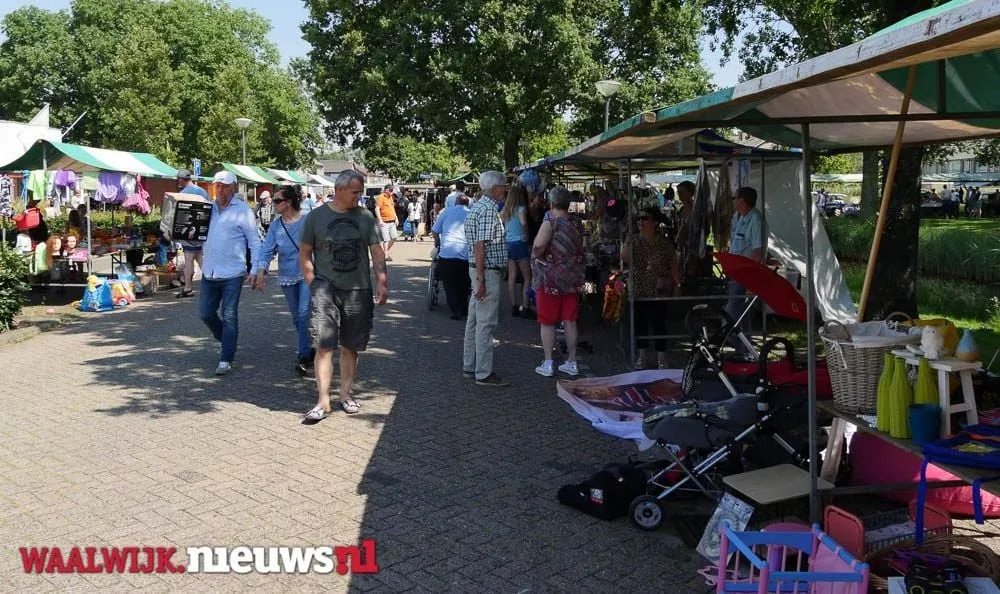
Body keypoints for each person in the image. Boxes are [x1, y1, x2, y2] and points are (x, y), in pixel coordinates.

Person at [300, 170, 389, 419]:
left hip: (358, 289)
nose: (359, 197)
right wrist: (312, 283)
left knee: (351, 346)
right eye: (355, 192)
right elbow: (305, 252)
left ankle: (346, 394)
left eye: (360, 192)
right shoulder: (316, 217)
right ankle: (323, 400)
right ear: (339, 190)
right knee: (323, 345)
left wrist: (382, 282)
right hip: (325, 288)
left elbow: (377, 253)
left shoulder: (365, 217)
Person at [198, 171, 262, 375]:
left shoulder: (243, 210)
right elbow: (194, 233)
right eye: (218, 186)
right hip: (209, 271)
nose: (221, 190)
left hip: (233, 272)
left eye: (225, 186)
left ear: (234, 187)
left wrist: (255, 269)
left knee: (229, 314)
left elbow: (254, 241)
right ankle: (225, 337)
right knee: (205, 313)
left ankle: (226, 357)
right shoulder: (207, 210)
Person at [252, 185, 313, 375]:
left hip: (307, 274)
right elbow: (267, 249)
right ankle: (310, 345)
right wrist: (261, 271)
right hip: (287, 275)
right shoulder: (276, 226)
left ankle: (303, 355)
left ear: (288, 203)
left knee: (303, 314)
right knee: (297, 317)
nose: (273, 204)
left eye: (277, 201)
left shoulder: (307, 221)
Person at [531, 186, 585, 377]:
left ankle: (548, 362)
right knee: (570, 320)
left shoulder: (551, 221)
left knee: (547, 322)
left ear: (552, 202)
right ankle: (571, 361)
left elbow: (538, 245)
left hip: (550, 278)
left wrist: (536, 255)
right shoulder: (576, 222)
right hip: (572, 278)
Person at [462, 170, 509, 387]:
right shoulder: (489, 209)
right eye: (504, 185)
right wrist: (481, 280)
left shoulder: (478, 206)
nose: (506, 188)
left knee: (474, 321)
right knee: (486, 323)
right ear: (495, 188)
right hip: (486, 272)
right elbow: (480, 246)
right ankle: (483, 372)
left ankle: (470, 366)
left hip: (478, 270)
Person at [623, 207, 681, 369]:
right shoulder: (633, 240)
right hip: (639, 286)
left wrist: (678, 285)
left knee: (659, 322)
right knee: (640, 322)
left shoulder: (665, 243)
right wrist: (628, 238)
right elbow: (625, 258)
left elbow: (673, 265)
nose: (641, 221)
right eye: (639, 219)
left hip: (659, 287)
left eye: (645, 218)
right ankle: (642, 356)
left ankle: (662, 357)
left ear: (654, 222)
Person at [726, 186, 764, 358]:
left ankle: (741, 347)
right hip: (737, 272)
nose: (733, 201)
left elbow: (758, 251)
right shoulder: (741, 217)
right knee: (740, 310)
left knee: (734, 309)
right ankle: (743, 347)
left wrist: (752, 280)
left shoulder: (755, 219)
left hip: (746, 272)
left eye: (734, 198)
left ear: (742, 200)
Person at [432, 194, 472, 320]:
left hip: (448, 253)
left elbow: (435, 230)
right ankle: (464, 306)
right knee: (465, 282)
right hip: (466, 254)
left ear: (455, 202)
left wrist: (437, 243)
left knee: (449, 284)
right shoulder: (471, 213)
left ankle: (456, 310)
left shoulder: (446, 211)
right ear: (467, 204)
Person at [175, 169, 210, 298]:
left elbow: (180, 216)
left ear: (181, 179)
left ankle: (188, 287)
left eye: (178, 179)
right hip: (201, 230)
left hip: (188, 232)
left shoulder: (182, 194)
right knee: (199, 256)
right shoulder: (202, 192)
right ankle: (211, 281)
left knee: (189, 259)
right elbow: (209, 209)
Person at [500, 184, 532, 317]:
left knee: (512, 276)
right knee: (527, 277)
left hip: (509, 243)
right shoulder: (521, 209)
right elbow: (524, 223)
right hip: (520, 243)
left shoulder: (505, 210)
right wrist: (526, 235)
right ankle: (525, 306)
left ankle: (514, 305)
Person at [374, 184, 398, 261]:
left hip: (392, 221)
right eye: (390, 190)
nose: (392, 192)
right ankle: (386, 255)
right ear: (386, 190)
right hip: (384, 221)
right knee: (386, 239)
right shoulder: (381, 197)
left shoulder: (390, 197)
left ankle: (385, 252)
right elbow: (377, 209)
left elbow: (392, 208)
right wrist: (380, 219)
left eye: (392, 190)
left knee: (394, 237)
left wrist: (396, 217)